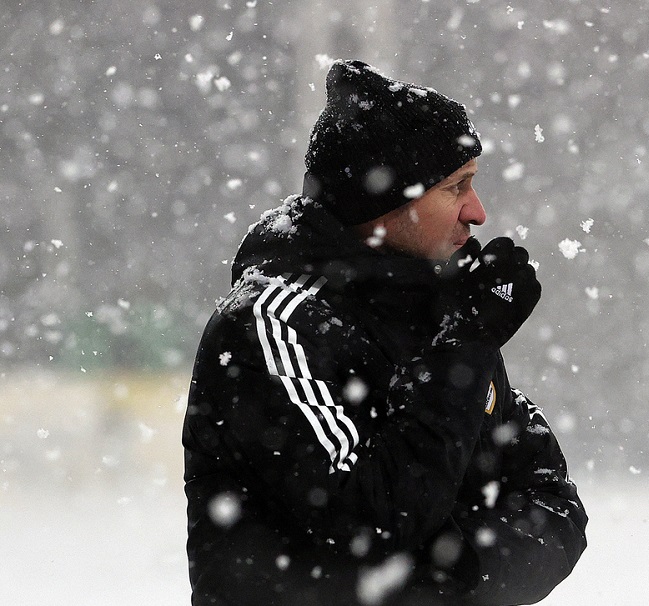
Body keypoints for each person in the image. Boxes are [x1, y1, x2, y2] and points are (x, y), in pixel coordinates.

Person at [182, 59, 587, 606]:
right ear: (382, 202)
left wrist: (444, 566)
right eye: (456, 187)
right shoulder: (272, 322)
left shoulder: (444, 312)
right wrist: (467, 346)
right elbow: (366, 523)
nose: (479, 212)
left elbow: (555, 507)